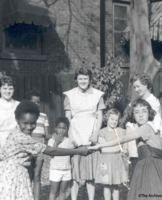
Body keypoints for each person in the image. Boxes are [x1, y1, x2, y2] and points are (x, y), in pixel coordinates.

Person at [0, 100, 90, 200]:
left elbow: (5, 153)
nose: (29, 127)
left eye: (33, 123)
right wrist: (78, 151)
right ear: (17, 120)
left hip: (8, 175)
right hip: (13, 178)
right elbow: (51, 151)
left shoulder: (14, 132)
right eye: (25, 123)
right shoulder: (22, 138)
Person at [89, 99, 162, 200]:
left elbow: (123, 139)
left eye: (144, 111)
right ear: (133, 115)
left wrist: (100, 146)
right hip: (155, 166)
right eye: (137, 112)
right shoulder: (151, 127)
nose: (140, 115)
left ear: (149, 113)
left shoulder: (145, 128)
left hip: (150, 168)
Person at [64, 67, 105, 200]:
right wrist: (71, 138)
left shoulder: (97, 95)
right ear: (76, 79)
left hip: (91, 132)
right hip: (76, 133)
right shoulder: (70, 95)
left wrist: (95, 134)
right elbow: (67, 119)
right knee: (75, 172)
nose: (83, 81)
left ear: (89, 79)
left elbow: (99, 117)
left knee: (90, 172)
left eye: (85, 78)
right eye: (80, 78)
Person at [120, 73, 162, 180]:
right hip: (135, 144)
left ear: (146, 84)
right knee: (136, 176)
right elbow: (128, 120)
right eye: (134, 87)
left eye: (138, 86)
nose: (136, 89)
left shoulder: (155, 102)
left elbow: (155, 126)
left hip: (148, 145)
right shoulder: (135, 103)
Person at [95, 109, 128, 200]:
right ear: (107, 118)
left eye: (116, 120)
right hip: (105, 161)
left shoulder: (120, 131)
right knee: (106, 185)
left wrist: (124, 148)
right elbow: (102, 147)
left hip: (116, 160)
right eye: (112, 119)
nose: (114, 122)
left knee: (116, 185)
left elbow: (127, 136)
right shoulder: (102, 131)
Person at [26, 89, 51, 200]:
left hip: (40, 148)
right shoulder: (25, 116)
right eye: (33, 102)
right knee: (28, 175)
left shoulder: (43, 116)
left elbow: (47, 134)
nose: (36, 104)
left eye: (38, 102)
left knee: (37, 176)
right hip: (28, 148)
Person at [48, 117, 73, 200]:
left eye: (64, 128)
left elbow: (72, 152)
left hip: (66, 169)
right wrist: (56, 141)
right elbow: (51, 154)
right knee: (53, 191)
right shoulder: (51, 140)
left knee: (63, 191)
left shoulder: (69, 141)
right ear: (55, 128)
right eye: (59, 128)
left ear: (67, 129)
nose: (61, 130)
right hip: (55, 170)